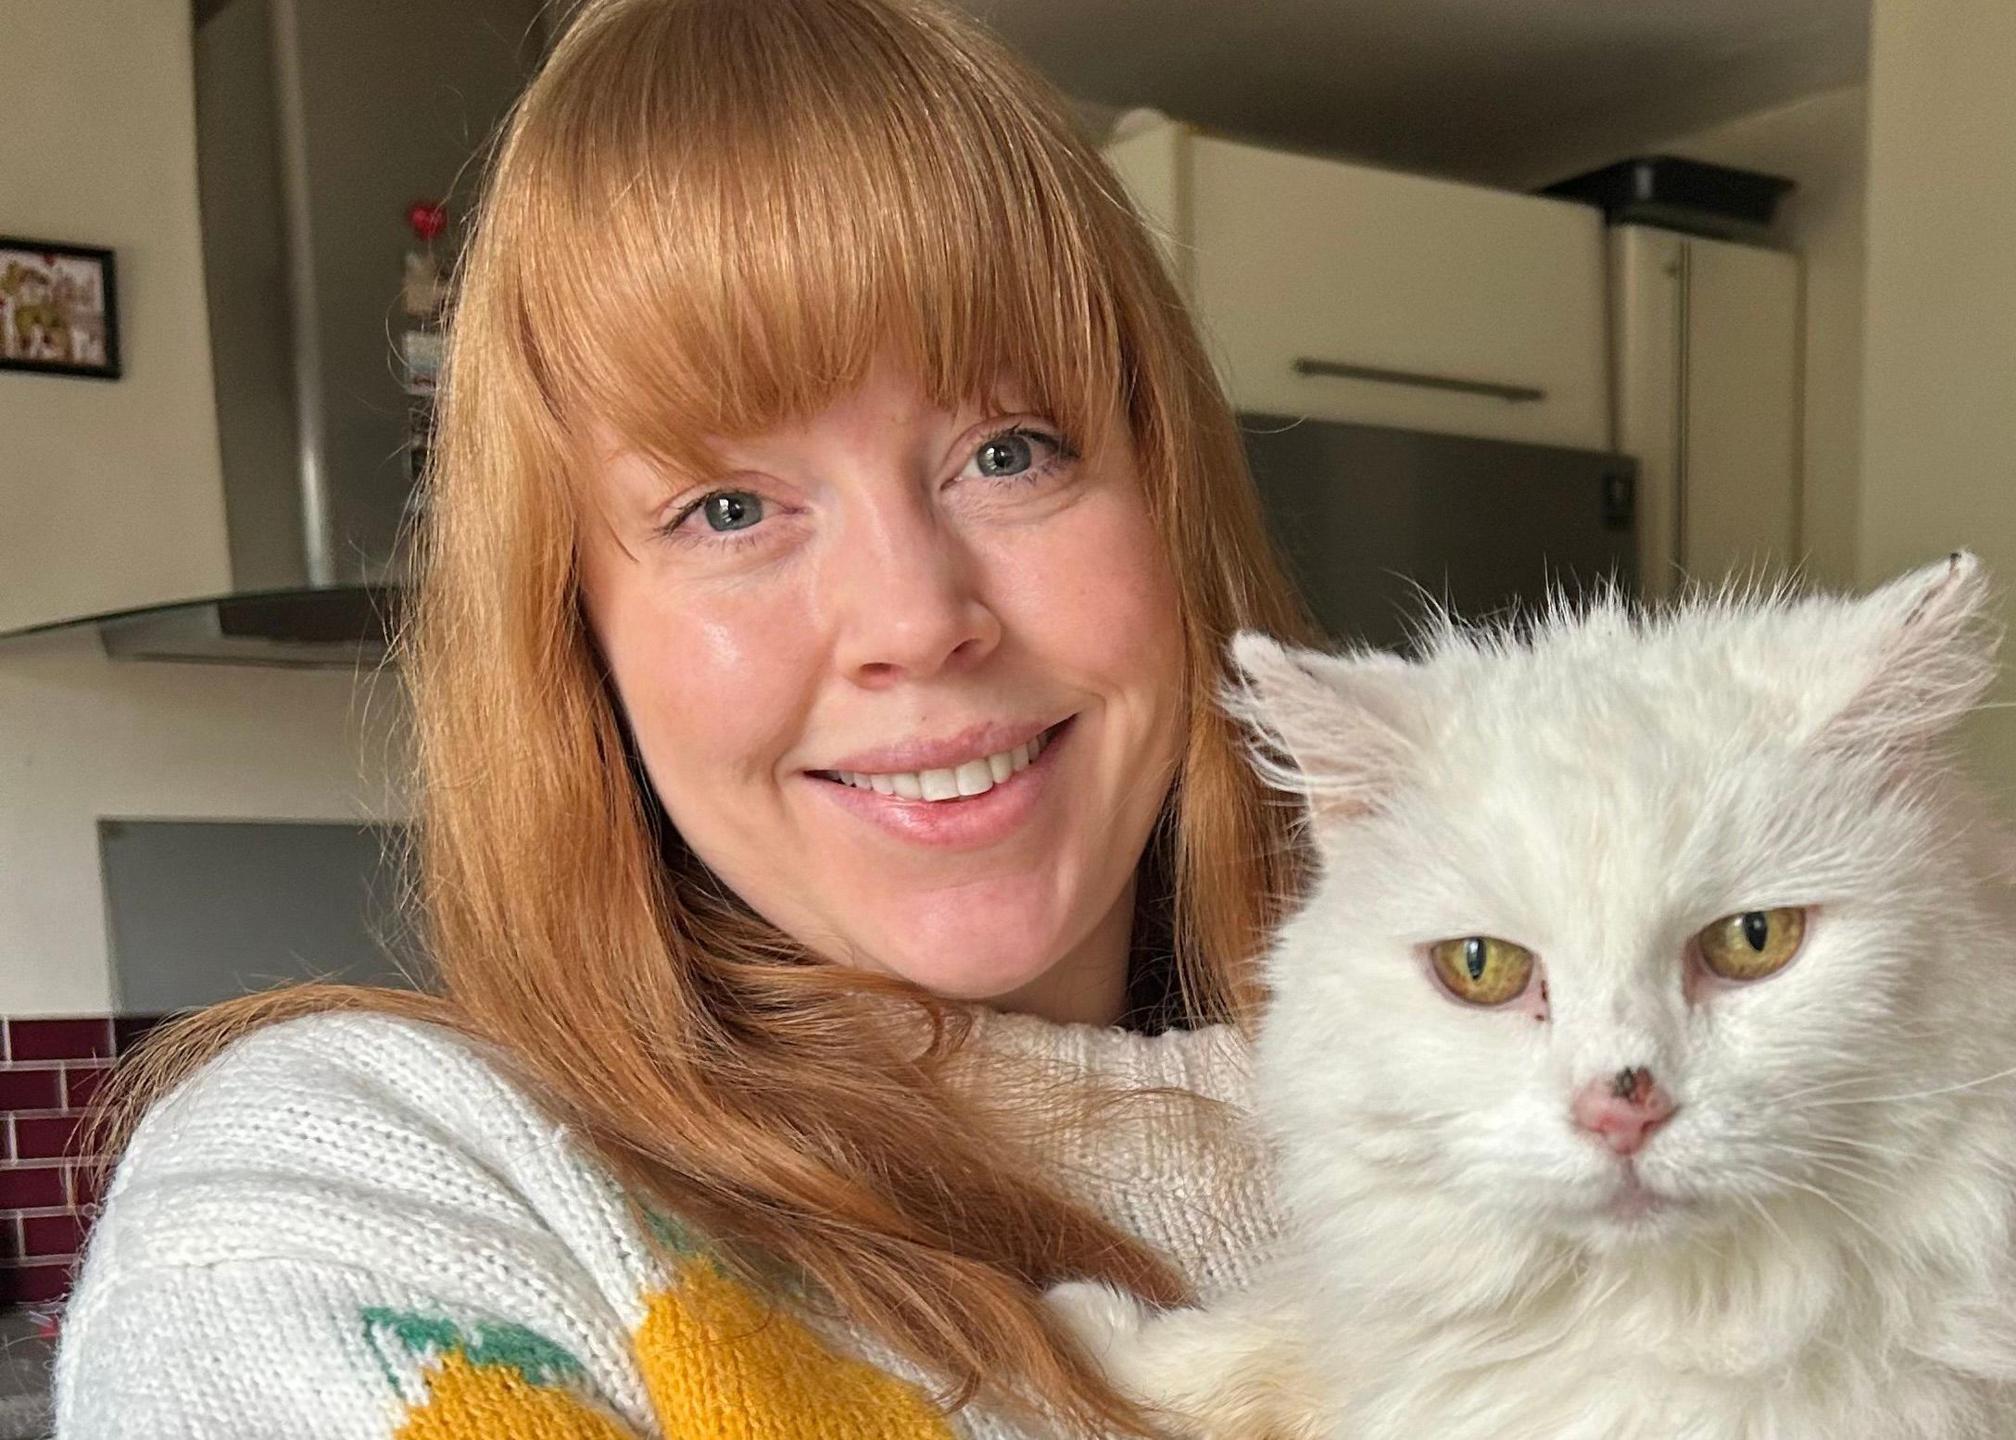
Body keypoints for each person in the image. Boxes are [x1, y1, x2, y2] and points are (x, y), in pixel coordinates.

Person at [54, 0, 1313, 1435]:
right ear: (572, 629)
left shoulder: (1569, 1122)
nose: (914, 616)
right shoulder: (358, 1193)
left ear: (1174, 508)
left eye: (1010, 450)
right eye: (726, 508)